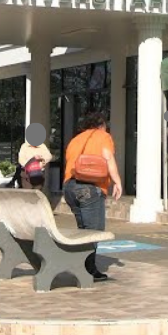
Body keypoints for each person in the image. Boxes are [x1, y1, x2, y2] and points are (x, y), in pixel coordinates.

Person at [62, 113, 123, 281]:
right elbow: (108, 157)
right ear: (102, 125)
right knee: (93, 231)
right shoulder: (103, 136)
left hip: (69, 187)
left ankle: (82, 265)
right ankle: (88, 270)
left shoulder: (75, 140)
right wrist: (117, 182)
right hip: (89, 187)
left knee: (83, 229)